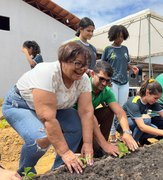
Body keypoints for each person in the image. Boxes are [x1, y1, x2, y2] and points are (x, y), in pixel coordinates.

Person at [2, 42, 94, 175]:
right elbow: (47, 117)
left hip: (54, 107)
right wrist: (66, 152)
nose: (82, 69)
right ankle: (25, 173)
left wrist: (88, 143)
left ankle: (58, 170)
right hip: (20, 105)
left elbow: (86, 112)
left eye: (86, 65)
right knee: (41, 138)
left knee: (76, 124)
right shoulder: (47, 73)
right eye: (78, 63)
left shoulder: (83, 79)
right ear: (62, 60)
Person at [74, 61, 138, 158]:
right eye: (101, 79)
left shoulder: (106, 91)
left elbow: (120, 112)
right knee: (85, 149)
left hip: (89, 117)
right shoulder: (84, 85)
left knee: (108, 111)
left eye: (108, 81)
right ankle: (100, 146)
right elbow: (88, 114)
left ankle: (100, 147)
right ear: (92, 74)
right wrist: (104, 144)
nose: (104, 83)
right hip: (74, 118)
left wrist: (126, 132)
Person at [101, 25, 139, 142]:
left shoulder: (125, 49)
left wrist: (132, 67)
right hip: (112, 83)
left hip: (124, 82)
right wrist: (106, 81)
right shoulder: (108, 49)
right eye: (118, 36)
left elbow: (125, 65)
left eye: (122, 36)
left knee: (122, 108)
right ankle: (112, 133)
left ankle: (121, 132)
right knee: (113, 108)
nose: (120, 39)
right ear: (113, 36)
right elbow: (102, 66)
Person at [115, 79, 163, 144]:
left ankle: (140, 140)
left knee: (154, 129)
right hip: (121, 124)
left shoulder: (151, 102)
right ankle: (132, 143)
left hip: (134, 122)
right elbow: (142, 127)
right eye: (155, 98)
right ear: (147, 93)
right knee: (147, 121)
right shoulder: (134, 102)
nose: (156, 100)